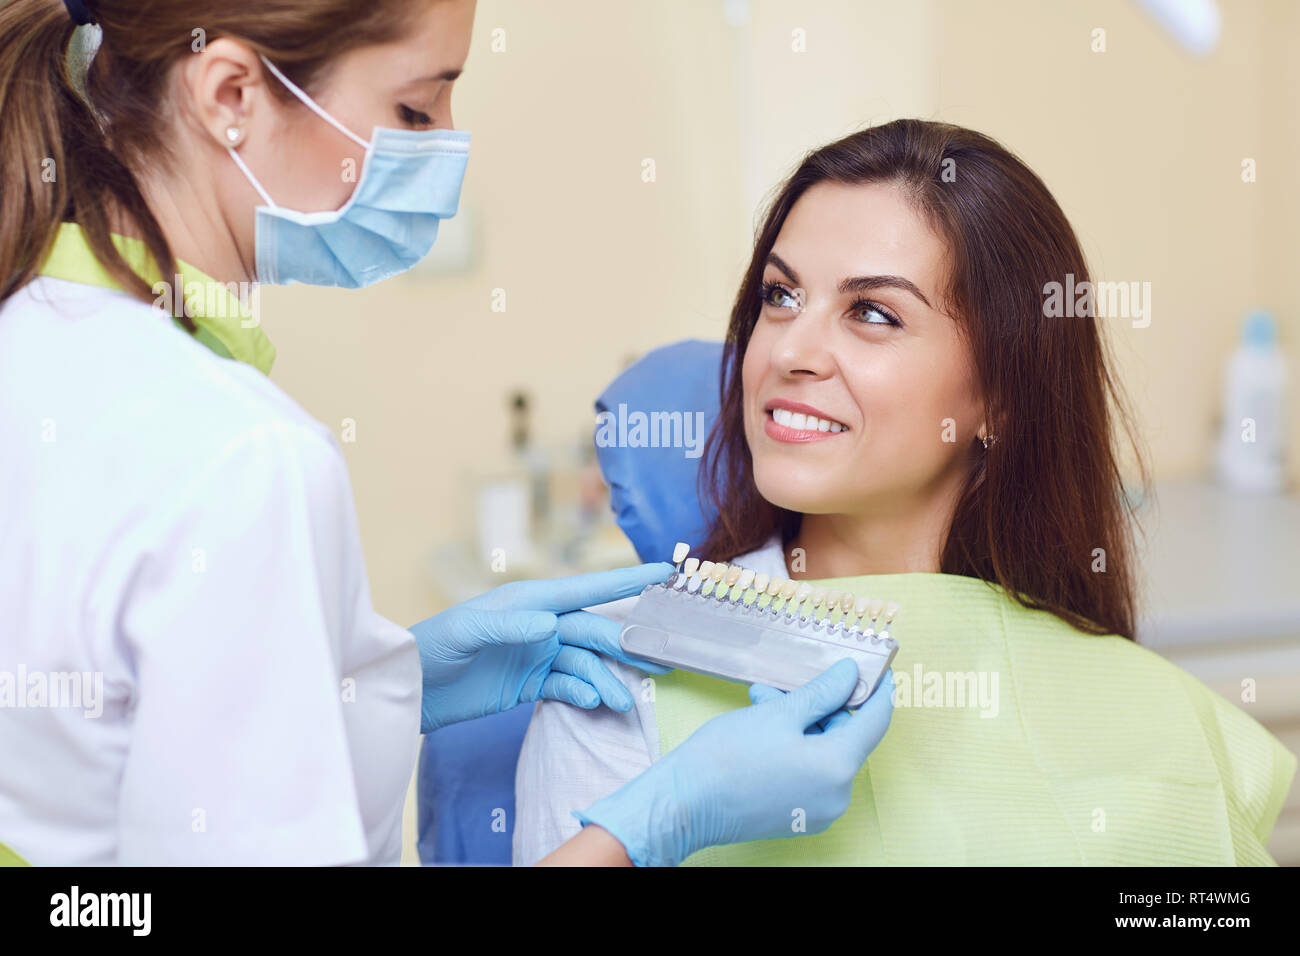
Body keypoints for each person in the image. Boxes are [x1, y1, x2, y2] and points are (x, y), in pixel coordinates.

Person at [0, 0, 895, 867]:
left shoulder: (45, 346)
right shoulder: (242, 456)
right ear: (231, 95)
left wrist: (387, 678)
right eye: (415, 108)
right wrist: (652, 826)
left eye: (875, 314)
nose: (445, 156)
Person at [513, 119, 1297, 866]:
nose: (790, 349)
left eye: (873, 313)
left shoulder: (1148, 712)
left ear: (1002, 395)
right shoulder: (616, 679)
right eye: (780, 296)